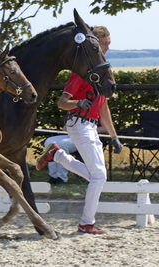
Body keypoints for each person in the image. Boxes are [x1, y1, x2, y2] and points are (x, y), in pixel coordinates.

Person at [36, 26, 122, 234]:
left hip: (90, 126)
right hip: (79, 124)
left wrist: (114, 136)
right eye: (106, 44)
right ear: (95, 43)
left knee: (98, 177)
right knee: (99, 177)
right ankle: (86, 223)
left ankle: (57, 155)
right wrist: (79, 102)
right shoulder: (79, 74)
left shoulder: (99, 72)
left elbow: (103, 107)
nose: (108, 48)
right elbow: (61, 103)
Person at [44, 122, 108, 185]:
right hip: (72, 135)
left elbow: (105, 128)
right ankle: (53, 176)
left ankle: (61, 177)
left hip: (86, 138)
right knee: (49, 142)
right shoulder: (75, 111)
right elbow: (64, 129)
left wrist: (85, 130)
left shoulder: (97, 113)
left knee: (63, 145)